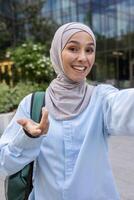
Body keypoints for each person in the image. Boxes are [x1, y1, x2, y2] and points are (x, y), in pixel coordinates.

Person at [0, 22, 134, 200]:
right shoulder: (33, 104)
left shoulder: (102, 99)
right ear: (57, 52)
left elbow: (126, 106)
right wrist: (28, 138)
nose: (83, 58)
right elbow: (5, 164)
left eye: (89, 50)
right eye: (73, 48)